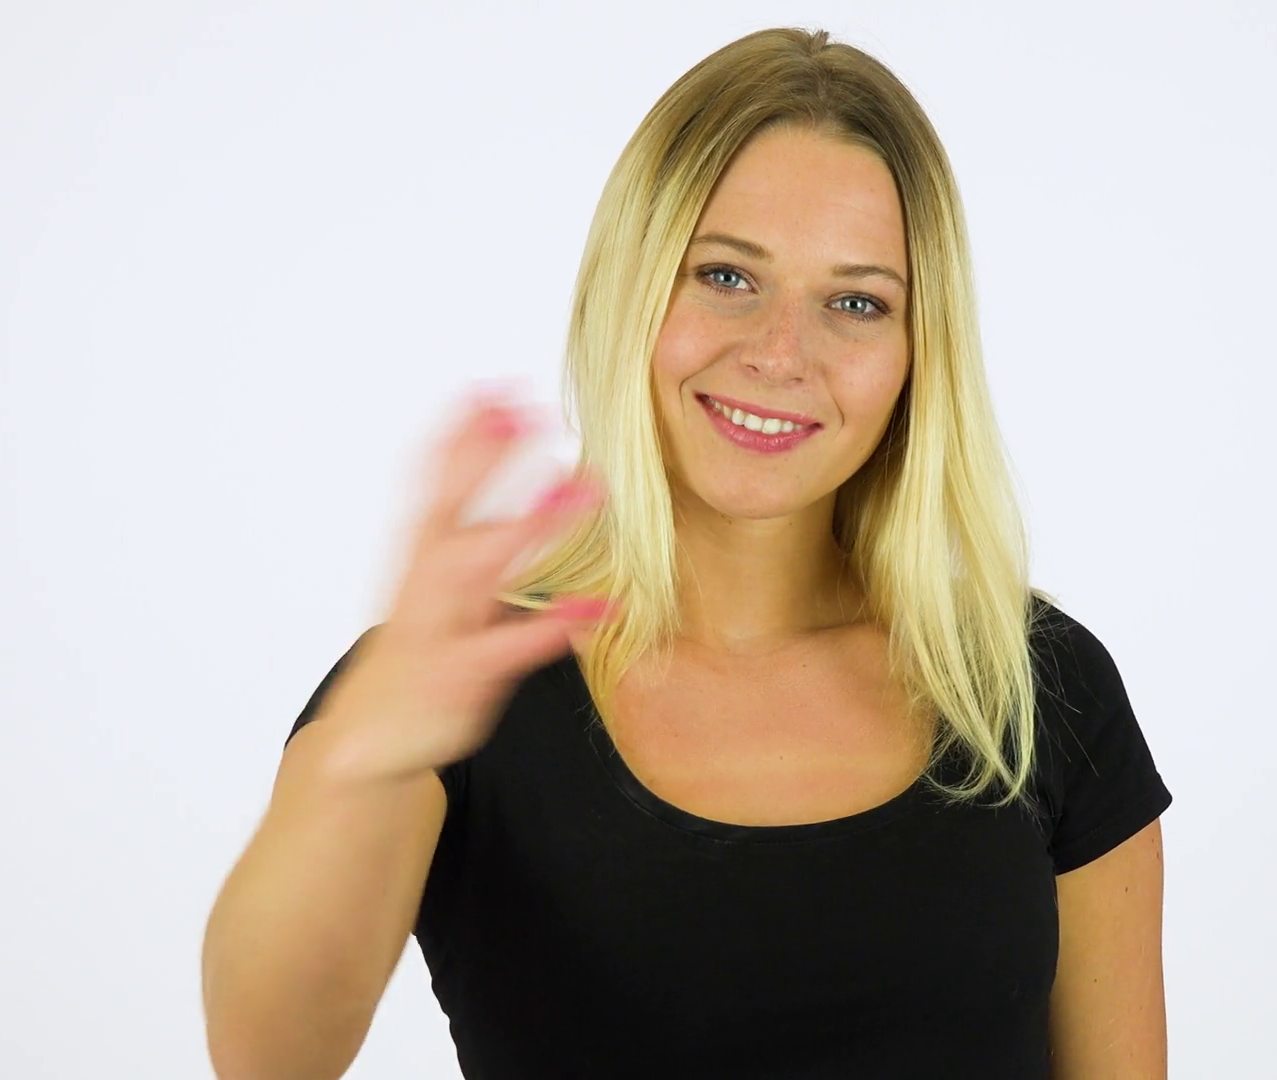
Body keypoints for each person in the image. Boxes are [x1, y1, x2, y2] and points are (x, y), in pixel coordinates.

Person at [201, 26, 1172, 1080]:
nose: (781, 354)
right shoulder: (450, 683)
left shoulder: (1038, 685)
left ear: (917, 350)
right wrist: (361, 757)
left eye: (857, 302)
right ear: (633, 286)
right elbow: (269, 1058)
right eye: (725, 275)